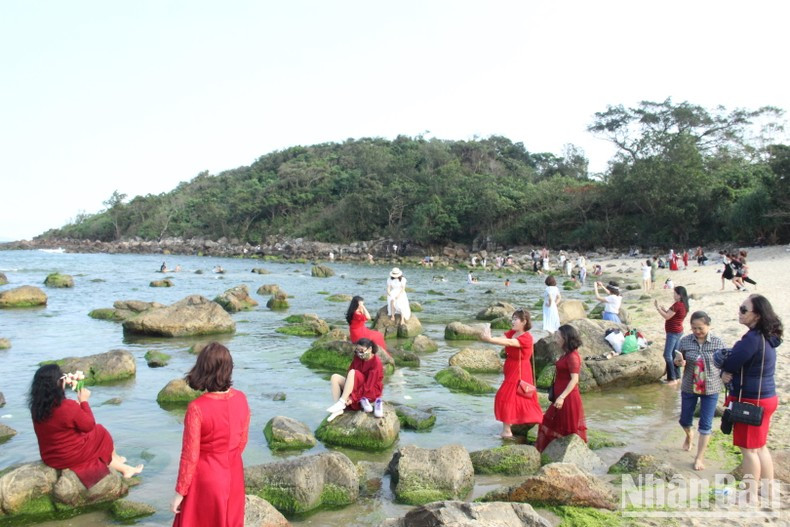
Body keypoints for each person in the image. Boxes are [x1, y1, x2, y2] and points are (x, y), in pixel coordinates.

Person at [172, 343, 250, 526]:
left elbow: (190, 455)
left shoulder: (197, 408)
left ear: (202, 369)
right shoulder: (241, 398)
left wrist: (180, 492)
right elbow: (242, 441)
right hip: (234, 473)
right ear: (229, 369)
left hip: (206, 477)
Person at [29, 365, 143, 489]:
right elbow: (89, 425)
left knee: (92, 434)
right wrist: (84, 402)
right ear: (58, 383)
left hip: (50, 458)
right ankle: (124, 468)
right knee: (99, 431)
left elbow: (59, 426)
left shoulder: (36, 408)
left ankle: (117, 460)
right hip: (69, 457)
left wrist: (76, 408)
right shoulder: (67, 406)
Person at [721, 295, 781, 497]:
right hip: (767, 398)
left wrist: (724, 369)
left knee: (749, 450)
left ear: (756, 315)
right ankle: (768, 491)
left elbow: (730, 363)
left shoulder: (752, 339)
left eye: (744, 309)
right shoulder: (769, 336)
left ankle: (749, 495)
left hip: (751, 400)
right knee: (760, 447)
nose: (740, 312)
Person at [479, 309, 543, 438]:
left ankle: (507, 430)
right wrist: (489, 337)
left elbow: (509, 343)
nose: (512, 321)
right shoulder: (512, 333)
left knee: (505, 396)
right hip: (511, 369)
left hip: (520, 371)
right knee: (516, 397)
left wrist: (490, 339)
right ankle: (518, 424)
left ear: (524, 322)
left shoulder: (526, 338)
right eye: (512, 318)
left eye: (515, 319)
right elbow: (504, 338)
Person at [673, 311, 725, 470]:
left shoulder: (717, 343)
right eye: (694, 328)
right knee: (684, 419)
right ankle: (689, 436)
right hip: (689, 386)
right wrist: (678, 362)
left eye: (700, 328)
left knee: (706, 424)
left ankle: (699, 458)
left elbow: (725, 363)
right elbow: (677, 361)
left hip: (711, 388)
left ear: (709, 326)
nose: (697, 331)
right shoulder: (685, 341)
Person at [535, 324, 587, 452]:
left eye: (558, 336)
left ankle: (568, 454)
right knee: (550, 423)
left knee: (566, 428)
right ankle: (553, 452)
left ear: (566, 338)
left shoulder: (573, 356)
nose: (556, 338)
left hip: (568, 398)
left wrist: (562, 397)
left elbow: (575, 379)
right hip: (560, 397)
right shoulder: (566, 354)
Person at [326, 338, 385, 421]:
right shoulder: (357, 357)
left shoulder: (376, 363)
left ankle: (342, 401)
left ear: (370, 349)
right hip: (356, 385)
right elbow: (349, 377)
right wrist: (348, 392)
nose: (359, 353)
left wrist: (352, 398)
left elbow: (368, 386)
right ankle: (338, 407)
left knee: (353, 372)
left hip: (369, 390)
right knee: (335, 377)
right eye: (357, 350)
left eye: (362, 350)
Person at [655, 286, 689, 385]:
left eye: (674, 293)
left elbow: (667, 316)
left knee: (667, 355)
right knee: (675, 354)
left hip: (673, 332)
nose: (673, 295)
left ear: (679, 295)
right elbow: (672, 315)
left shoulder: (677, 304)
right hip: (678, 331)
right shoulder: (684, 304)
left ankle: (672, 378)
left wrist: (658, 308)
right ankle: (677, 377)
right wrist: (664, 310)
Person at [346, 296, 391, 361]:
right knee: (378, 335)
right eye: (361, 304)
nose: (362, 305)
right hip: (359, 332)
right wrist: (363, 307)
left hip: (358, 330)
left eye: (362, 304)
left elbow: (364, 316)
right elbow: (368, 317)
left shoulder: (354, 310)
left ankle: (379, 351)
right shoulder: (356, 313)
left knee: (377, 334)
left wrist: (361, 307)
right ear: (356, 304)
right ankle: (381, 352)